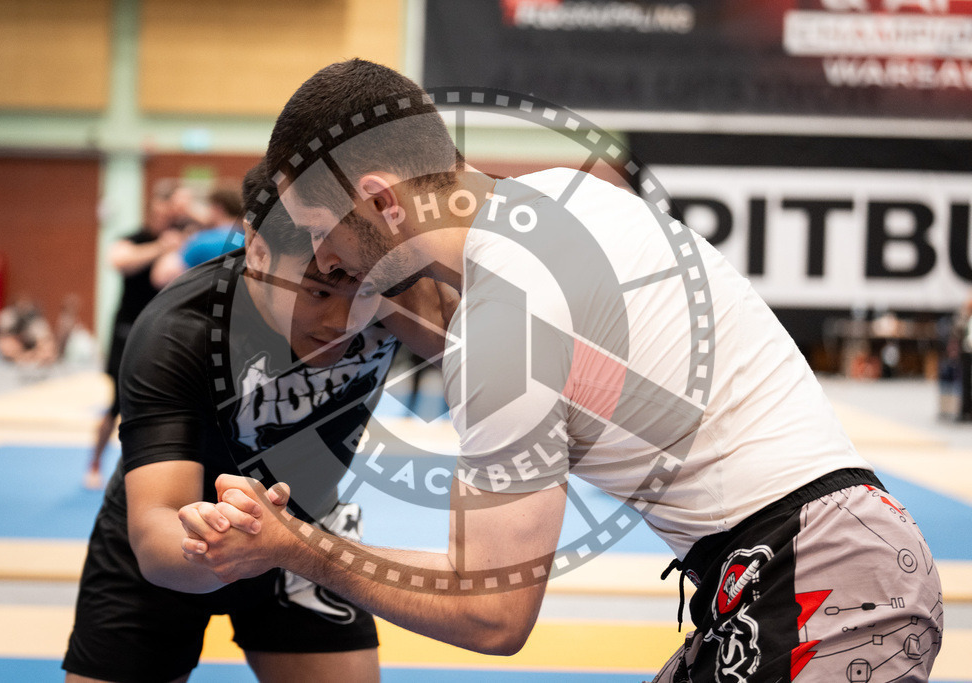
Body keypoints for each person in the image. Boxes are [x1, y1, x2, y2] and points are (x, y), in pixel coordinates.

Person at [180, 60, 944, 682]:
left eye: (321, 233)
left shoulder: (502, 327)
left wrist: (297, 547)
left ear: (381, 201)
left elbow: (492, 613)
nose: (326, 262)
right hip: (832, 557)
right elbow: (605, 387)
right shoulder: (565, 199)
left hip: (815, 581)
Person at [62, 163, 451, 683]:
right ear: (258, 249)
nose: (342, 322)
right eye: (318, 291)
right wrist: (218, 544)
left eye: (363, 291)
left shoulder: (394, 292)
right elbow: (156, 529)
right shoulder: (182, 330)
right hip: (182, 537)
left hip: (305, 536)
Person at [83, 180, 192, 489]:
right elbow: (118, 260)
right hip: (129, 329)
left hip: (167, 330)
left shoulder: (188, 238)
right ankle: (95, 462)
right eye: (175, 203)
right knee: (119, 401)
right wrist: (161, 247)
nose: (180, 210)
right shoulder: (137, 238)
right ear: (158, 205)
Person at [151, 184, 246, 289]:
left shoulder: (203, 241)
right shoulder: (247, 239)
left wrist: (174, 247)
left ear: (218, 208)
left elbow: (161, 277)